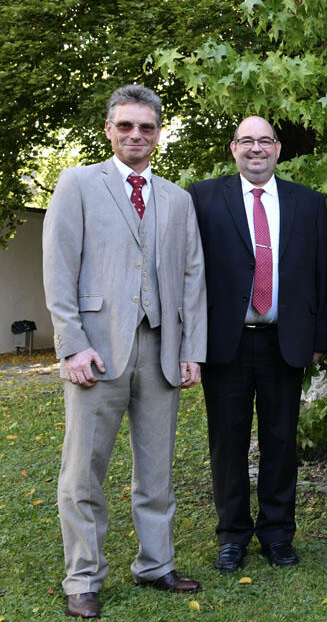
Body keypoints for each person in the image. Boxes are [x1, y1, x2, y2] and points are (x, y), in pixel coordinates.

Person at [42, 84, 206, 619]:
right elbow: (59, 269)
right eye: (126, 126)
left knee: (155, 470)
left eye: (146, 127)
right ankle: (83, 576)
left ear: (158, 135)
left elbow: (191, 278)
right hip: (99, 351)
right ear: (110, 130)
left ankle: (155, 564)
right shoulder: (78, 183)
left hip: (160, 352)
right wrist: (72, 346)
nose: (136, 135)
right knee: (83, 471)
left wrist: (191, 350)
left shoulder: (178, 199)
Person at [188, 116, 327, 572]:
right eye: (247, 141)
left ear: (278, 148)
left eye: (264, 141)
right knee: (226, 444)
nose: (256, 149)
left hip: (284, 342)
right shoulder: (202, 198)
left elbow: (320, 275)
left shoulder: (308, 203)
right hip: (225, 343)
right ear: (233, 148)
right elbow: (189, 271)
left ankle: (277, 534)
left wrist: (320, 338)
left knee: (280, 441)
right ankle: (232, 536)